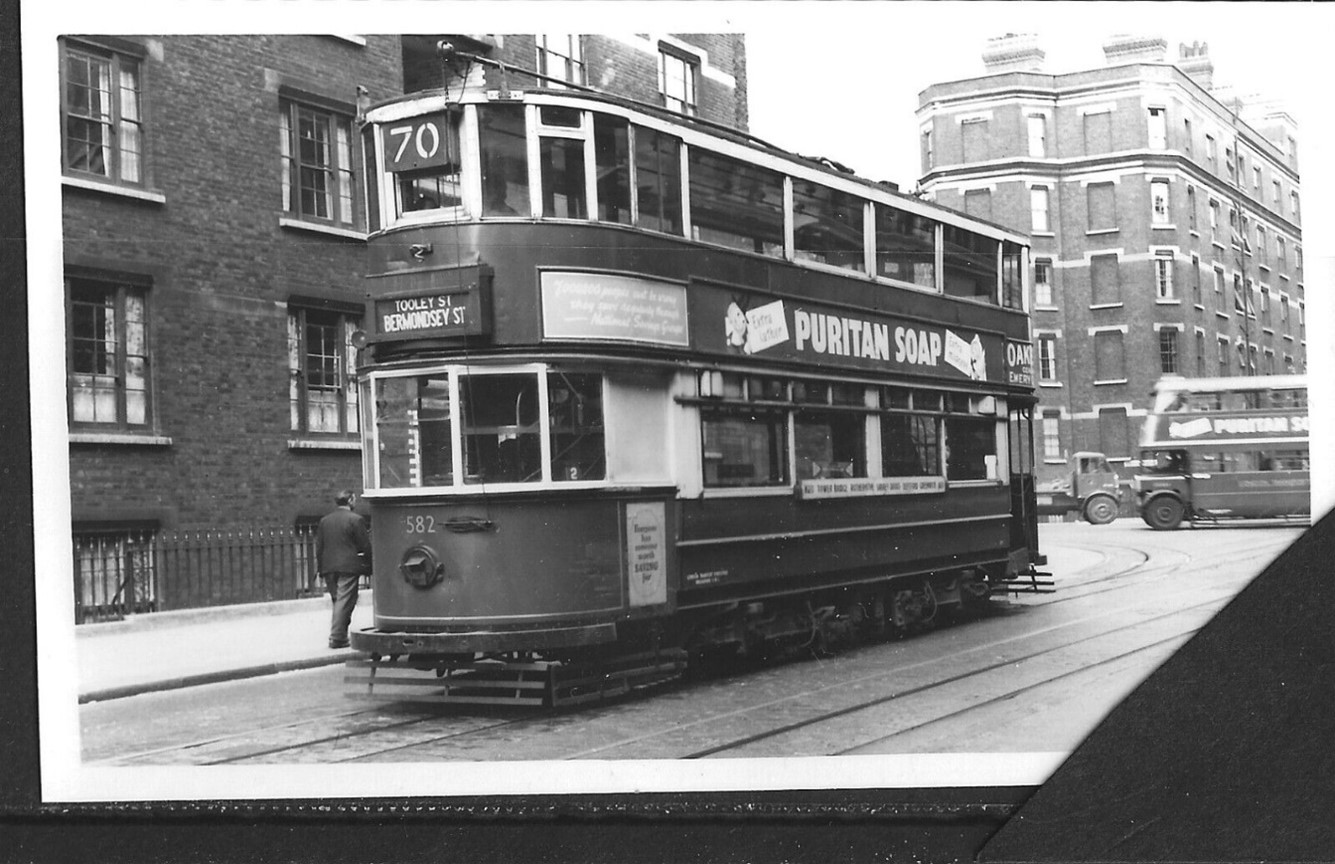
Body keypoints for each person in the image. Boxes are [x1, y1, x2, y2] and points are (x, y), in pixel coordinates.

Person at [315, 489, 371, 649]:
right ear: (351, 500)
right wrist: (370, 565)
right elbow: (365, 546)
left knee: (339, 601)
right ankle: (337, 638)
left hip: (328, 567)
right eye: (354, 499)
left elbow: (319, 547)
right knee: (345, 601)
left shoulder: (325, 521)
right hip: (348, 567)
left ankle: (340, 635)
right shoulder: (356, 519)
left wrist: (320, 569)